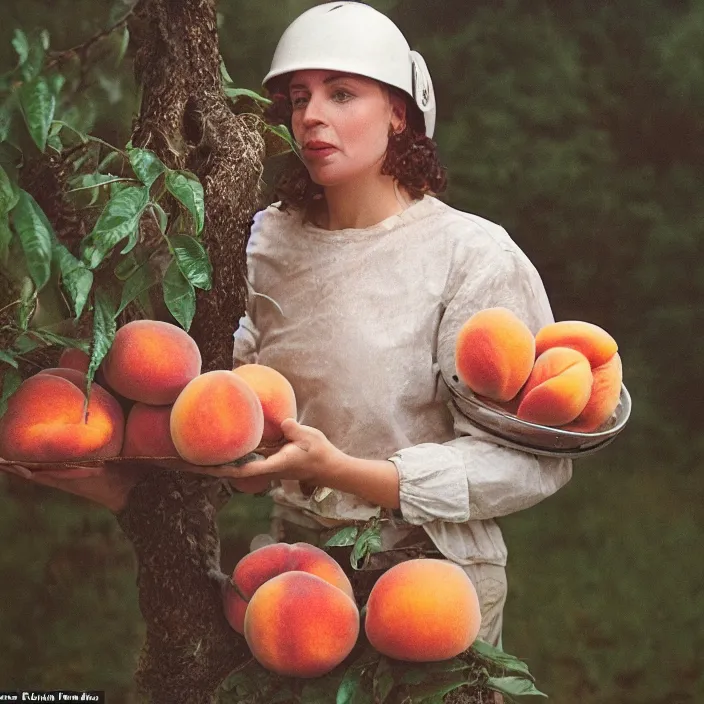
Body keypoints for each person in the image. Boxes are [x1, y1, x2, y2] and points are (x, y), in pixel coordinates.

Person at [225, 1, 573, 653]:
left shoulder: (472, 256)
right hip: (295, 576)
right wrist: (243, 455)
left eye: (342, 93)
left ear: (399, 112)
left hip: (430, 584)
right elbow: (247, 378)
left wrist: (347, 471)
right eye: (299, 98)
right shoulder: (267, 241)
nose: (312, 116)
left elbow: (531, 461)